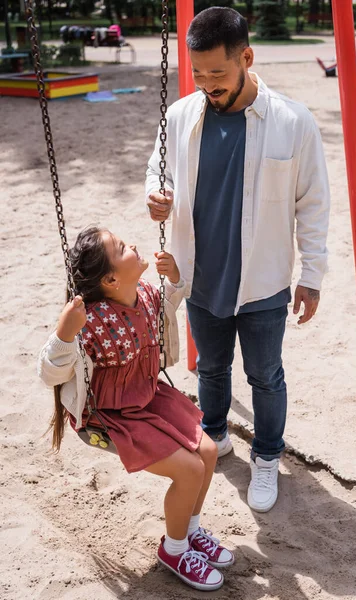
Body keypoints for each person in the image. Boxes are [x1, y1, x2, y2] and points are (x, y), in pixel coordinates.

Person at [146, 7, 330, 513]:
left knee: (266, 375)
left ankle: (267, 456)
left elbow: (313, 203)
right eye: (198, 73)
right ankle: (214, 432)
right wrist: (157, 197)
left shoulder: (292, 122)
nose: (207, 84)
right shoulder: (182, 114)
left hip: (265, 281)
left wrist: (311, 275)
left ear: (246, 58)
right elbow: (157, 170)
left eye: (218, 74)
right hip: (202, 276)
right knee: (210, 369)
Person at [38, 226, 234, 591]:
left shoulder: (144, 293)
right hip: (112, 416)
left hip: (148, 394)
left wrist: (174, 279)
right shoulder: (90, 321)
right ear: (111, 278)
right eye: (120, 246)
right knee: (189, 470)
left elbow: (168, 306)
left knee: (207, 451)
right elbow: (50, 373)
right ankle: (174, 551)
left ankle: (189, 532)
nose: (131, 243)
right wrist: (65, 334)